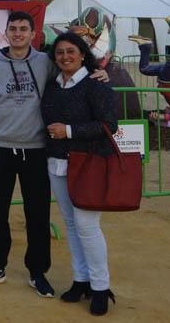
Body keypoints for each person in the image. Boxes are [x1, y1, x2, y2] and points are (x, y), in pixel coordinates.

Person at [0, 11, 55, 297]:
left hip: (35, 151)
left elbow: (74, 74)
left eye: (23, 29)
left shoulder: (45, 63)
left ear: (33, 33)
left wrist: (99, 72)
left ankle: (37, 271)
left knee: (38, 214)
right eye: (13, 29)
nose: (18, 33)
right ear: (6, 33)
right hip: (0, 149)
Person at [40, 32, 117, 316]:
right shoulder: (52, 85)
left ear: (82, 53)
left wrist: (69, 131)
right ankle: (80, 279)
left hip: (88, 163)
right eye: (60, 52)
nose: (65, 57)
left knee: (87, 226)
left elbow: (110, 124)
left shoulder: (96, 84)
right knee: (71, 224)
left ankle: (100, 286)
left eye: (71, 51)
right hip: (58, 163)